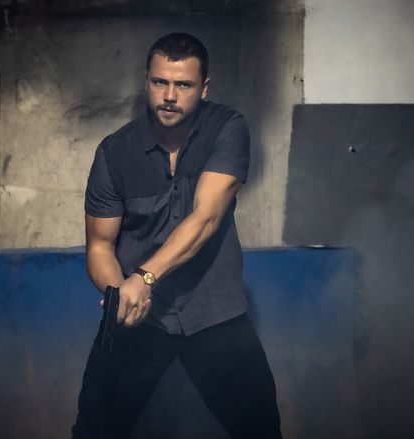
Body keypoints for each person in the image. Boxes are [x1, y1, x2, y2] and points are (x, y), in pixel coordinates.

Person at [72, 32, 282, 439]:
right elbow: (99, 246)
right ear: (146, 82)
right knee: (94, 429)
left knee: (260, 429)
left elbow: (205, 219)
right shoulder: (114, 152)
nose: (169, 96)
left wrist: (143, 278)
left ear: (204, 88)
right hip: (140, 317)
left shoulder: (227, 128)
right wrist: (122, 296)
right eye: (160, 82)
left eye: (183, 85)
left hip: (215, 312)